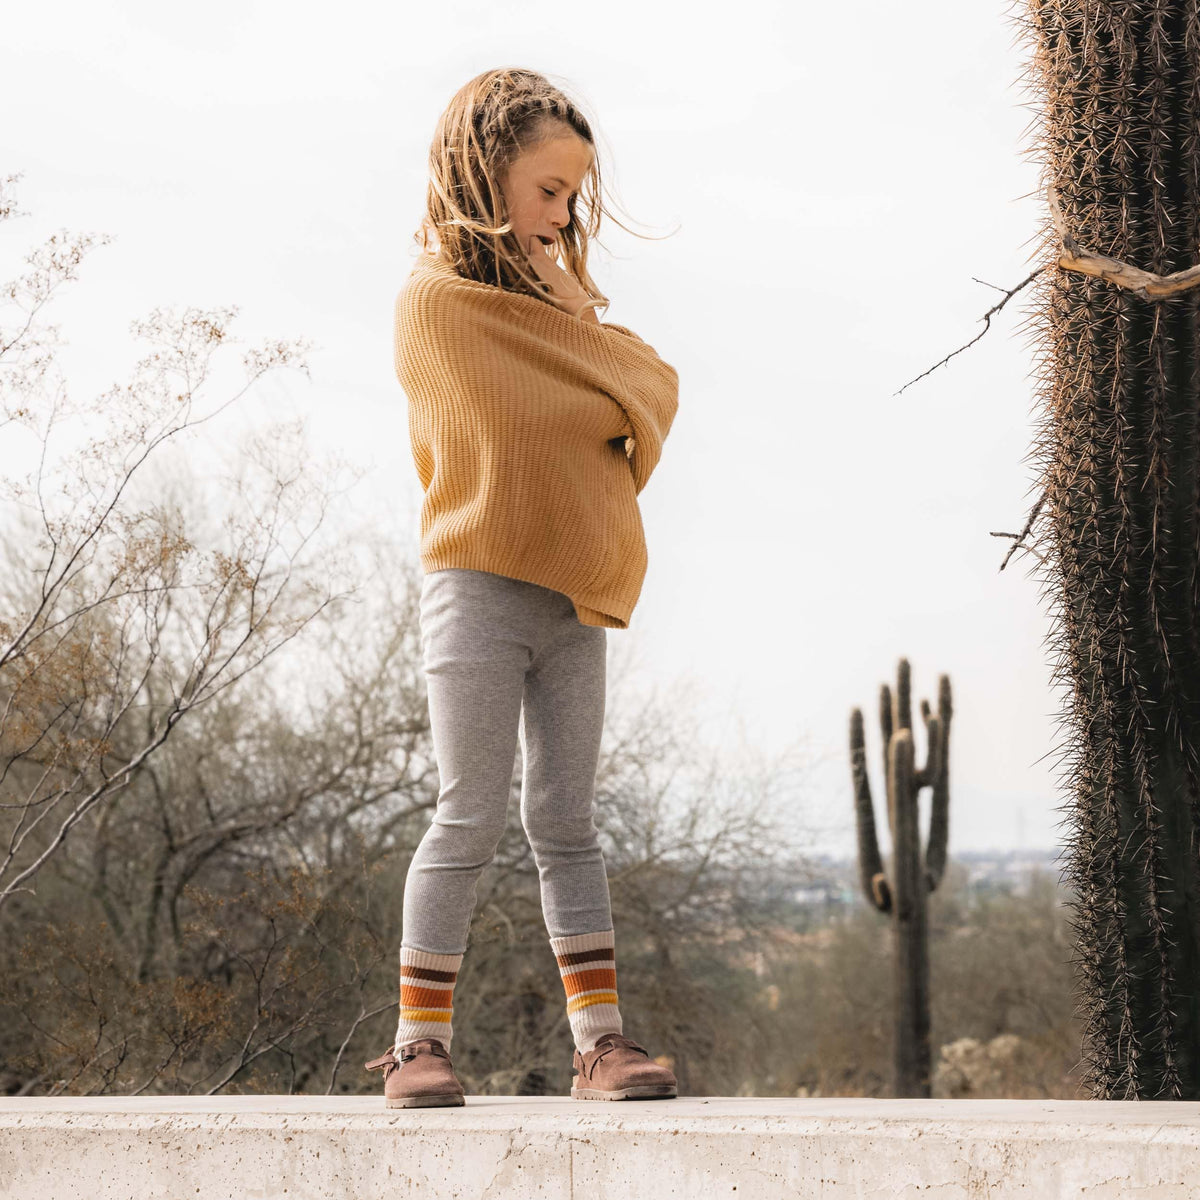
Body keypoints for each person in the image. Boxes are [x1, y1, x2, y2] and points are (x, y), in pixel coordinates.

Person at [364, 66, 680, 1109]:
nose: (562, 214)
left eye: (571, 196)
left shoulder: (566, 311)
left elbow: (652, 393)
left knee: (566, 819)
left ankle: (603, 1046)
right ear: (485, 171)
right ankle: (418, 1045)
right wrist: (580, 345)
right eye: (548, 189)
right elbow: (521, 419)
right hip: (477, 589)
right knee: (468, 811)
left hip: (571, 596)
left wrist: (574, 317)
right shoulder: (435, 306)